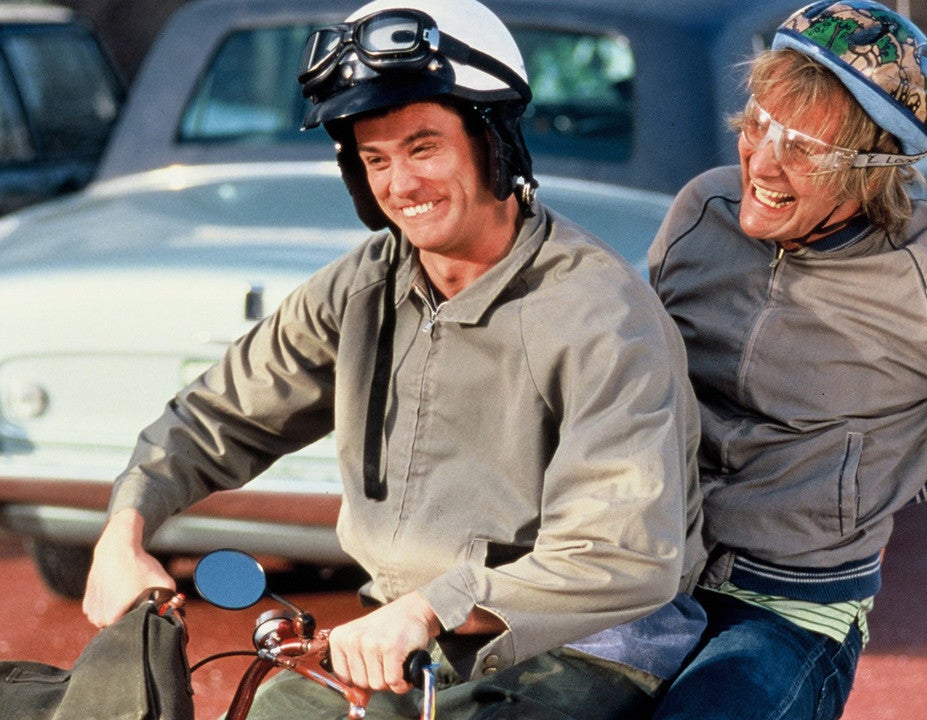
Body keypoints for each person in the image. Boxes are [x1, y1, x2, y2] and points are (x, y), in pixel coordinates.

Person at [81, 0, 707, 718]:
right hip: (403, 640)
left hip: (579, 651)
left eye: (423, 148)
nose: (400, 185)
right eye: (375, 159)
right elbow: (215, 414)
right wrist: (123, 533)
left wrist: (431, 610)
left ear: (493, 142)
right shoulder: (364, 285)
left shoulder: (599, 313)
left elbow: (619, 556)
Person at [646, 3, 927, 719]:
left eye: (802, 147)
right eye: (759, 121)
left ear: (872, 171)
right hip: (652, 569)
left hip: (788, 610)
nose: (761, 161)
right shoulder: (700, 211)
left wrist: (914, 479)